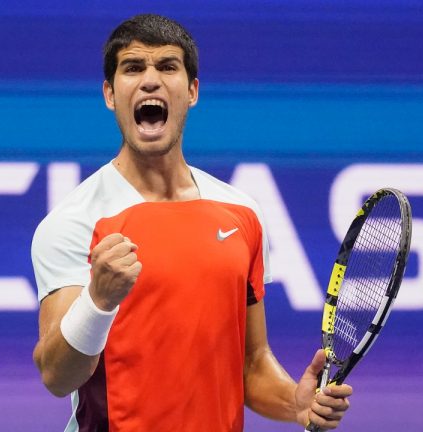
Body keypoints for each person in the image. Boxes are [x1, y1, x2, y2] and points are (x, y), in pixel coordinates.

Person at [31, 14, 353, 432]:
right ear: (110, 94)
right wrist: (98, 300)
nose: (150, 81)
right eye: (133, 68)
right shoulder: (75, 221)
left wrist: (295, 401)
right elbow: (58, 376)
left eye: (167, 67)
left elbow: (251, 364)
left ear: (192, 91)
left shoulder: (242, 213)